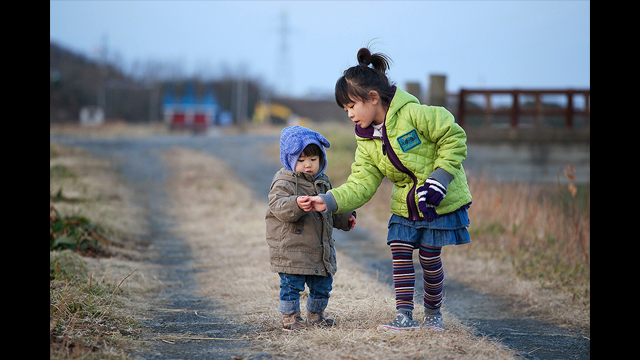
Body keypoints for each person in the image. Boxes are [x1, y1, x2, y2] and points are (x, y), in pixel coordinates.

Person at [304, 47, 472, 331]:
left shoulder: (414, 114)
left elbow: (454, 136)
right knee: (400, 248)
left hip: (438, 202)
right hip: (405, 204)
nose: (349, 115)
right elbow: (362, 182)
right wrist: (329, 200)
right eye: (345, 110)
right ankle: (404, 316)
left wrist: (440, 178)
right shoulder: (367, 140)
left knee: (430, 259)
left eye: (351, 107)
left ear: (372, 98)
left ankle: (433, 315)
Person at [265, 125, 357, 331]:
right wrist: (296, 204)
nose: (308, 165)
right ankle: (290, 318)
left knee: (322, 285)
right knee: (291, 285)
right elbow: (277, 206)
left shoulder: (323, 182)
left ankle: (316, 315)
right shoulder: (283, 182)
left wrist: (345, 218)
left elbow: (331, 206)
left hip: (319, 247)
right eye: (302, 160)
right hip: (292, 247)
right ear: (289, 159)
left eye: (313, 160)